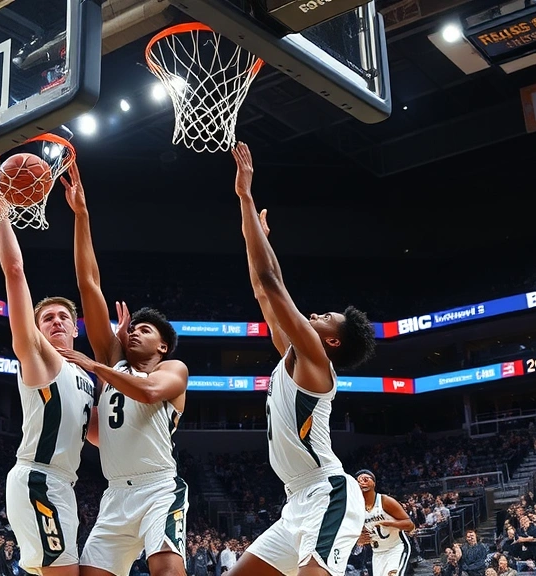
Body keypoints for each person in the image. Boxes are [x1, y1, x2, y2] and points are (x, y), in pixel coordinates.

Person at [227, 141, 376, 576]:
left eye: (325, 318)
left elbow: (272, 281)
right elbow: (261, 288)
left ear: (331, 342)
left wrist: (245, 195)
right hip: (296, 500)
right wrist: (255, 233)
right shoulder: (291, 356)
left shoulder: (314, 358)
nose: (314, 315)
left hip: (327, 491)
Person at [58, 162, 190, 576]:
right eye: (133, 328)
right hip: (115, 494)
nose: (135, 333)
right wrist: (82, 217)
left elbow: (149, 393)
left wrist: (96, 365)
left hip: (158, 487)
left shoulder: (174, 370)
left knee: (166, 570)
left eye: (145, 330)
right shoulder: (115, 361)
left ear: (162, 344)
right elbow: (89, 284)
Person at [0, 164, 96, 576]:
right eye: (48, 318)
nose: (57, 321)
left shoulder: (86, 375)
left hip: (64, 485)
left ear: (75, 331)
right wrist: (2, 213)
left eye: (64, 317)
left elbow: (98, 435)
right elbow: (15, 272)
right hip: (37, 479)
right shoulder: (39, 356)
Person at [356, 470, 415, 576]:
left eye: (366, 479)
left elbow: (410, 525)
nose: (362, 483)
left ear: (374, 482)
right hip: (377, 553)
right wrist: (358, 540)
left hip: (396, 547)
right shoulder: (356, 508)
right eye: (359, 481)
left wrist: (391, 524)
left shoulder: (385, 501)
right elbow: (353, 533)